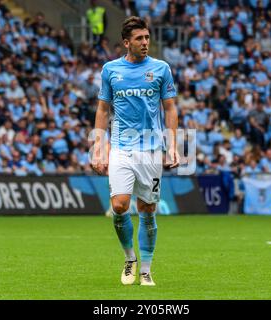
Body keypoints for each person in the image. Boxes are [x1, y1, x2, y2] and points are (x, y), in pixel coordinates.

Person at [91, 17, 179, 286]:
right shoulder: (110, 70)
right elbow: (103, 110)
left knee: (148, 209)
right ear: (126, 43)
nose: (145, 43)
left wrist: (172, 145)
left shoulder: (161, 69)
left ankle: (146, 269)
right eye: (139, 39)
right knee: (119, 205)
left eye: (147, 38)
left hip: (151, 149)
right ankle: (130, 259)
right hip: (121, 148)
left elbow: (170, 109)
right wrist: (98, 148)